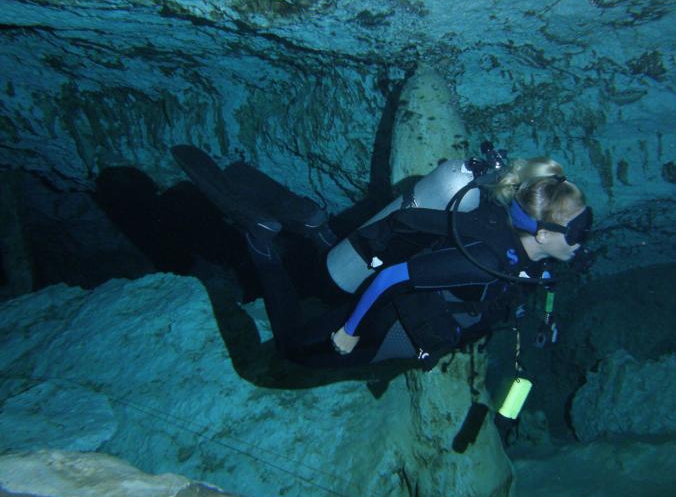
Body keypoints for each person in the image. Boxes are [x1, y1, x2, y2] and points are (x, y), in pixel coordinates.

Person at [171, 146, 592, 371]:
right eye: (577, 230)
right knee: (291, 348)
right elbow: (393, 276)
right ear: (540, 232)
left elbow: (530, 278)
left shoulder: (511, 236)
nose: (581, 240)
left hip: (400, 305)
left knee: (319, 288)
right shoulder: (485, 258)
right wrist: (350, 331)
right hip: (391, 327)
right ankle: (261, 240)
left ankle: (319, 230)